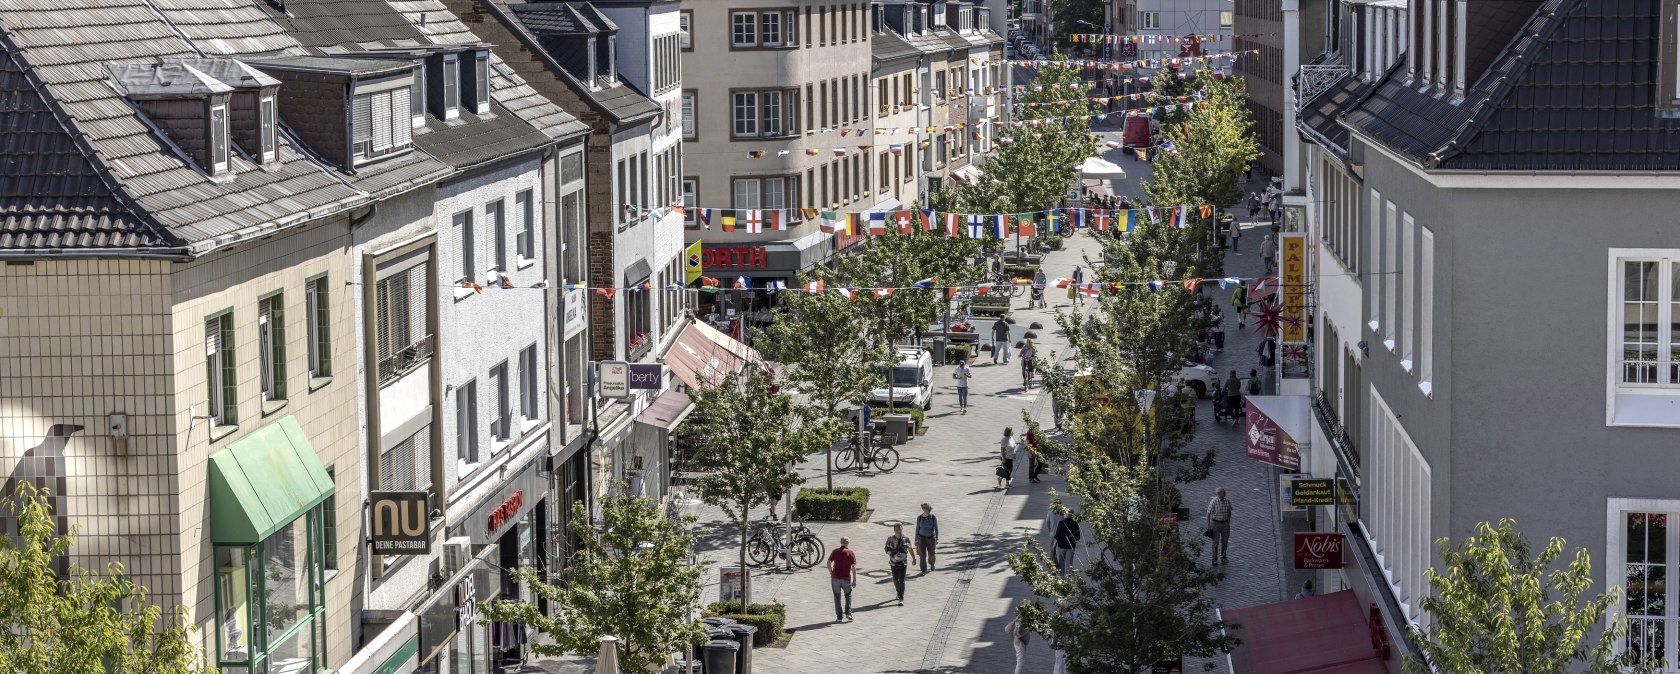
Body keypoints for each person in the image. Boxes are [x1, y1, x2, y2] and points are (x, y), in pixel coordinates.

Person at [827, 537, 859, 621]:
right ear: (848, 543)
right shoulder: (850, 552)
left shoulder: (835, 551)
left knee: (837, 597)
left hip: (835, 578)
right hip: (846, 578)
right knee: (848, 595)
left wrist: (831, 572)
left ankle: (839, 617)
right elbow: (853, 567)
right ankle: (848, 613)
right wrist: (854, 580)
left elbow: (828, 562)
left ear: (840, 542)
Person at [884, 524, 915, 605]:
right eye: (897, 529)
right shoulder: (890, 539)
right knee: (895, 579)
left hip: (903, 563)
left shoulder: (906, 539)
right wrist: (892, 554)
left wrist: (914, 558)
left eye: (900, 529)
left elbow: (910, 549)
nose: (898, 531)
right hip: (893, 562)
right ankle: (898, 592)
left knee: (901, 580)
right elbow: (886, 549)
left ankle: (901, 598)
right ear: (894, 530)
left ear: (902, 529)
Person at [1206, 487, 1232, 565]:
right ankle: (1214, 559)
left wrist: (1228, 522)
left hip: (1225, 524)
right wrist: (1208, 525)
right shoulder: (1213, 502)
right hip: (1215, 524)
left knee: (1225, 542)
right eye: (1223, 493)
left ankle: (1223, 557)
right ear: (1218, 494)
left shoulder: (1227, 501)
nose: (1225, 494)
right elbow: (1208, 513)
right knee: (1215, 542)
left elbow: (1229, 511)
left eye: (1224, 492)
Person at [915, 504, 939, 573]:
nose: (925, 509)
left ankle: (932, 564)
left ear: (929, 508)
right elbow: (917, 528)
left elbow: (936, 528)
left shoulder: (933, 517)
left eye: (926, 508)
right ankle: (923, 570)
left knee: (931, 554)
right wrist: (916, 539)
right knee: (922, 555)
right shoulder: (919, 518)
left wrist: (937, 538)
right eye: (923, 508)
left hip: (931, 538)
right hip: (921, 538)